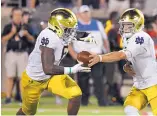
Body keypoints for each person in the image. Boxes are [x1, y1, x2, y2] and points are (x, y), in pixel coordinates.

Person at [16, 8, 92, 115]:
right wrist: (72, 69)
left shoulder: (63, 33)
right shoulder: (48, 36)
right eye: (67, 28)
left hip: (52, 77)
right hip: (34, 79)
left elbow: (79, 34)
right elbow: (47, 68)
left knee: (75, 94)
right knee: (27, 112)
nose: (71, 31)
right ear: (58, 26)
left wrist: (93, 39)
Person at [88, 8, 157, 115]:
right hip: (140, 84)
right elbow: (131, 58)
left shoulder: (141, 37)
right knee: (130, 109)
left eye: (127, 25)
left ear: (137, 25)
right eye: (123, 24)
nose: (124, 27)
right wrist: (127, 66)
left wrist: (100, 57)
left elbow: (121, 54)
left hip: (153, 83)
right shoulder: (127, 38)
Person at [69, 5, 110, 106]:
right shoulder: (74, 26)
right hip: (82, 57)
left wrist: (107, 54)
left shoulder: (97, 24)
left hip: (96, 56)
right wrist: (74, 55)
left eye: (87, 12)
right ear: (79, 14)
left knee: (98, 79)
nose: (86, 14)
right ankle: (84, 102)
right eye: (84, 12)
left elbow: (105, 40)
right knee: (83, 80)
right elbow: (68, 43)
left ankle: (102, 102)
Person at [2, 7, 35, 104]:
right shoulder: (8, 27)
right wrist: (12, 33)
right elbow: (3, 39)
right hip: (11, 53)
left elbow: (33, 39)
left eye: (19, 15)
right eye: (16, 15)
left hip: (23, 53)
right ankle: (8, 97)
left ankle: (22, 97)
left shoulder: (26, 26)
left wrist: (27, 34)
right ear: (12, 16)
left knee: (22, 77)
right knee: (10, 76)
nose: (18, 17)